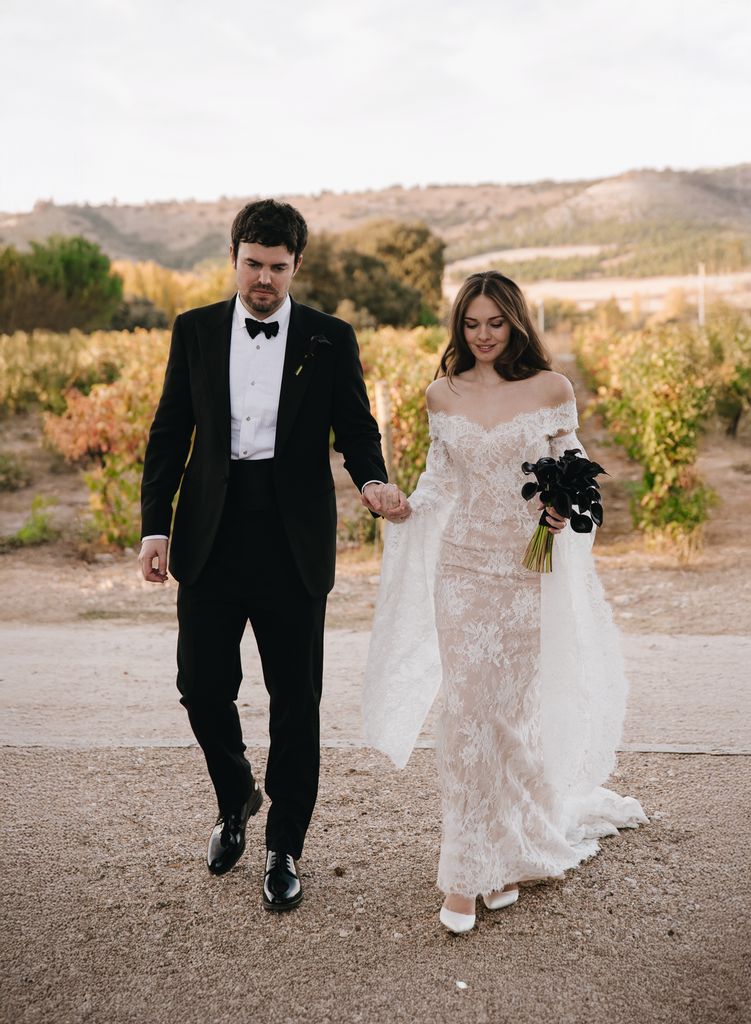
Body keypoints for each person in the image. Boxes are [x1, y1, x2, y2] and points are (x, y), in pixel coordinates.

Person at [139, 199, 408, 912]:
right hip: (210, 534)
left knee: (296, 702)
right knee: (201, 688)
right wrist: (153, 527)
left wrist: (373, 480)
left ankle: (285, 844)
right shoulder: (193, 330)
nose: (263, 280)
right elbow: (170, 434)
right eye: (252, 265)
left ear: (296, 266)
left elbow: (356, 427)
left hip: (292, 542)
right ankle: (236, 799)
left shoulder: (328, 336)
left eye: (277, 268)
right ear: (233, 259)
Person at [363, 271, 647, 934]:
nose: (482, 335)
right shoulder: (442, 393)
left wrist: (561, 510)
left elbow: (576, 471)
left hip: (527, 572)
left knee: (510, 719)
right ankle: (464, 874)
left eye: (494, 322)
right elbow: (438, 483)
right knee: (465, 714)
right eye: (470, 324)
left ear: (514, 322)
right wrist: (404, 509)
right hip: (460, 572)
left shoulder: (551, 390)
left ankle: (507, 855)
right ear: (458, 328)